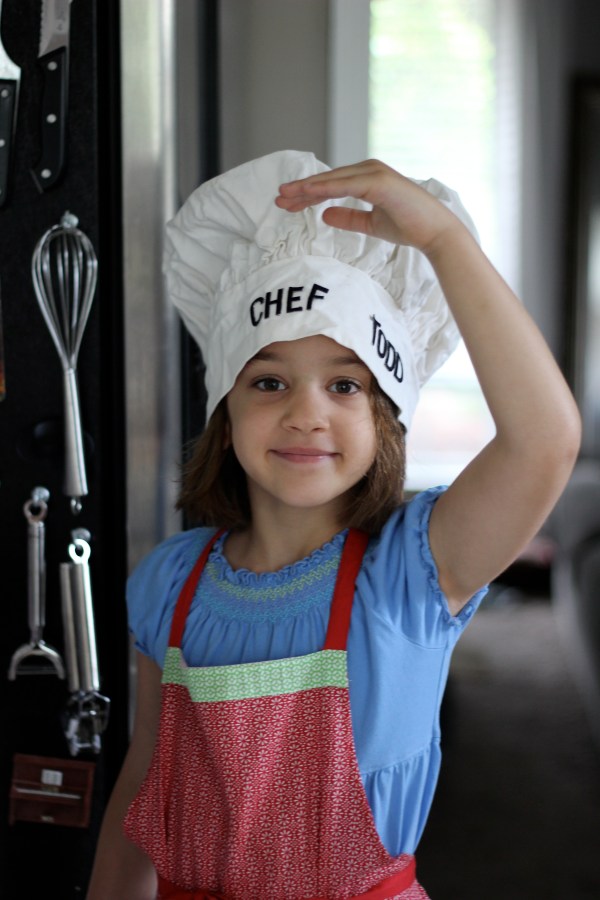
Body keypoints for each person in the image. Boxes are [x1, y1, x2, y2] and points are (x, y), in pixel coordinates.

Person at [86, 152, 580, 900]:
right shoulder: (171, 581)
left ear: (386, 422)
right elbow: (148, 774)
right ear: (226, 412)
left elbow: (544, 440)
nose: (305, 412)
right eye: (269, 380)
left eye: (345, 383)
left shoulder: (414, 574)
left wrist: (445, 242)